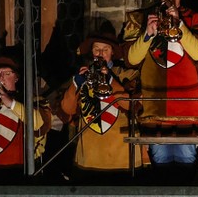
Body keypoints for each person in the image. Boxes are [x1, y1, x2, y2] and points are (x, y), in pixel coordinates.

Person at [123, 0, 198, 167]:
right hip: (154, 108)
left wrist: (180, 25)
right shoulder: (139, 19)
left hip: (187, 110)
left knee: (186, 165)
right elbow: (131, 60)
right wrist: (147, 34)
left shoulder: (196, 20)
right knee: (160, 167)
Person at [60, 30, 140, 176]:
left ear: (112, 53)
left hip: (121, 158)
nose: (100, 53)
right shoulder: (84, 75)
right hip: (89, 157)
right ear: (91, 52)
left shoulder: (126, 75)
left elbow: (133, 106)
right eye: (96, 49)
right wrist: (76, 84)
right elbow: (67, 109)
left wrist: (110, 79)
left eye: (105, 49)